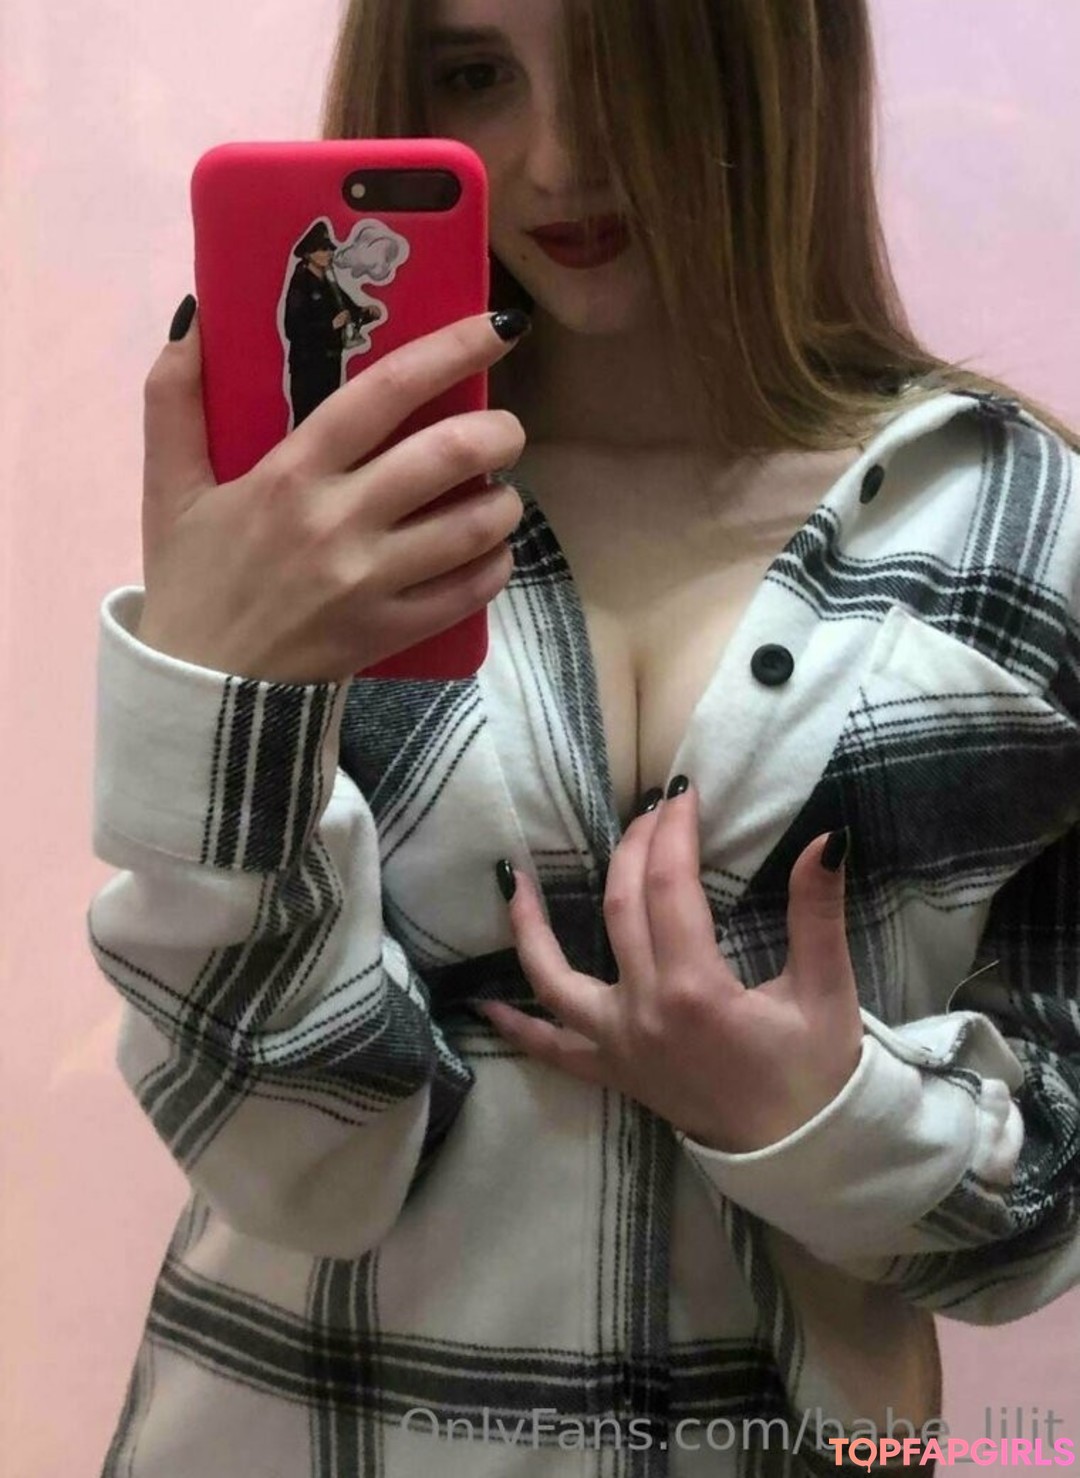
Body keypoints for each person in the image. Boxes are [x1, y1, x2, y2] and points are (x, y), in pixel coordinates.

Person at [88, 1, 1080, 1475]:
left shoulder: (1013, 519)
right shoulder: (329, 509)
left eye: (634, 67)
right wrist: (210, 688)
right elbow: (292, 1158)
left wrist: (827, 1116)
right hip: (301, 1425)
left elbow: (1049, 1189)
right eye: (475, 72)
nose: (560, 157)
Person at [284, 220, 380, 426]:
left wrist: (365, 313)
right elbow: (293, 328)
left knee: (327, 422)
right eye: (323, 249)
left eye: (329, 249)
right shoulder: (301, 282)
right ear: (309, 254)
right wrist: (330, 326)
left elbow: (346, 307)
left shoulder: (330, 282)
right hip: (308, 366)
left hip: (330, 363)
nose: (329, 254)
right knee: (308, 422)